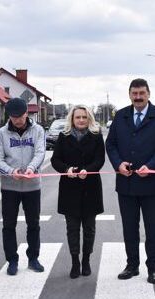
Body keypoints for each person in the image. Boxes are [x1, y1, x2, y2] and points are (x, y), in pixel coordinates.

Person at [105, 78, 155, 284]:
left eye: (142, 93)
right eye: (134, 93)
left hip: (151, 184)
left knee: (153, 228)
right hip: (126, 184)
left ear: (149, 94)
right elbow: (111, 144)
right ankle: (132, 265)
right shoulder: (121, 116)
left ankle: (153, 267)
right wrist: (118, 165)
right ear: (129, 95)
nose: (138, 97)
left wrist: (152, 165)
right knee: (129, 227)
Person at [50, 105, 105, 279]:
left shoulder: (96, 137)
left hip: (91, 188)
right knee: (72, 229)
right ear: (72, 120)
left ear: (89, 119)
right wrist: (67, 169)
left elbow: (100, 159)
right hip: (69, 189)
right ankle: (75, 261)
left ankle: (86, 260)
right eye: (77, 117)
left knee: (89, 229)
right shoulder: (63, 136)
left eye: (84, 117)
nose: (81, 120)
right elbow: (55, 160)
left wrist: (87, 171)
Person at [0, 97, 46, 276]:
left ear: (27, 113)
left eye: (20, 116)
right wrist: (11, 171)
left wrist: (31, 168)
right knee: (9, 225)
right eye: (13, 116)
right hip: (10, 187)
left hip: (32, 185)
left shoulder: (38, 130)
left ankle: (33, 258)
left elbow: (40, 152)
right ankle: (12, 260)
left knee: (34, 223)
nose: (17, 120)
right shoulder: (1, 133)